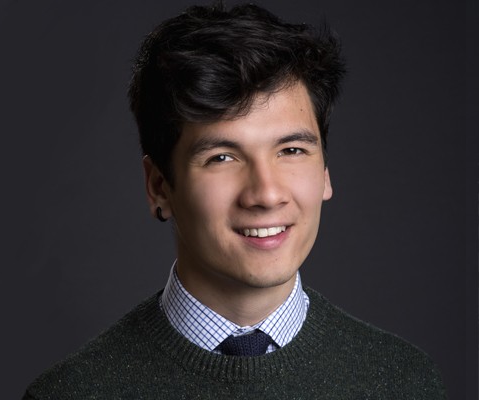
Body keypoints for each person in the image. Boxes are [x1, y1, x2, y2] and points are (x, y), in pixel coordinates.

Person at [23, 3, 445, 399]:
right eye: (222, 157)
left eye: (292, 151)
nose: (266, 193)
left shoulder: (405, 382)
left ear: (325, 173)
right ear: (158, 187)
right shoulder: (74, 392)